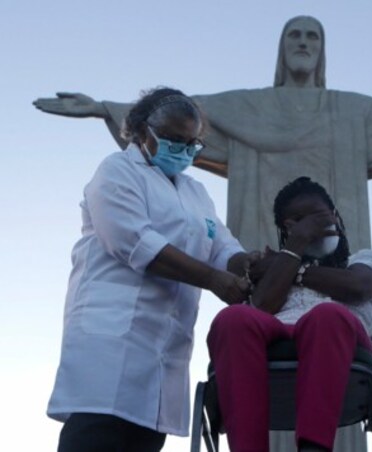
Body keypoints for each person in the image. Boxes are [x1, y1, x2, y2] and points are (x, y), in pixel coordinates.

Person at [32, 15, 372, 253]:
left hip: (336, 257)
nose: (303, 43)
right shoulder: (248, 107)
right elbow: (178, 115)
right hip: (257, 250)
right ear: (282, 49)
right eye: (295, 36)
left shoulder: (349, 111)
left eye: (312, 36)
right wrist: (104, 106)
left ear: (322, 50)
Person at [47, 88, 256, 452]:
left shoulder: (196, 193)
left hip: (163, 356)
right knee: (96, 434)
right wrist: (213, 280)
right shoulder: (117, 171)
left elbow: (222, 247)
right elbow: (135, 242)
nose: (185, 150)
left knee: (144, 438)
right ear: (143, 131)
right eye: (175, 139)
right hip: (110, 338)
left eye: (193, 143)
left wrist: (250, 265)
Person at [207, 177, 372, 452]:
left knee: (327, 315)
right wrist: (295, 248)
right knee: (232, 318)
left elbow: (359, 287)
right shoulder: (275, 268)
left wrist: (296, 272)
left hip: (340, 344)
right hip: (274, 342)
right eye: (297, 222)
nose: (308, 228)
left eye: (315, 217)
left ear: (334, 217)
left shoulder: (360, 261)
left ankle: (313, 448)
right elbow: (261, 307)